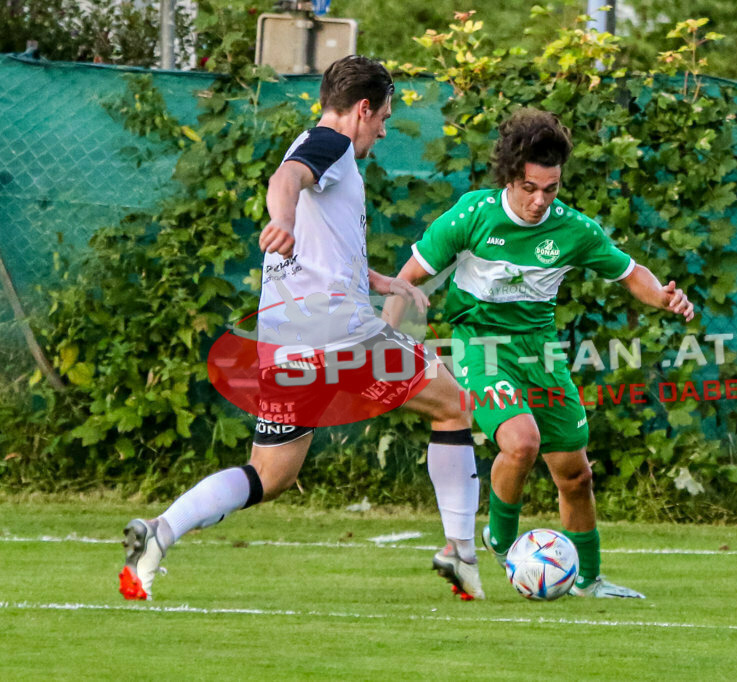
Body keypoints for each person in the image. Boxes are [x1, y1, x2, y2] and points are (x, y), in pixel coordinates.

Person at [119, 55, 485, 602]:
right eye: (383, 117)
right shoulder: (331, 143)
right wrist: (282, 220)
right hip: (338, 334)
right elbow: (285, 180)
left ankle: (159, 533)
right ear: (363, 109)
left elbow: (323, 240)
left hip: (284, 340)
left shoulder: (314, 146)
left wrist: (377, 280)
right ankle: (461, 552)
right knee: (455, 404)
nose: (383, 130)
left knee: (270, 474)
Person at [382, 108, 695, 598]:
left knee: (575, 475)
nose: (539, 200)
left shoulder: (574, 230)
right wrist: (385, 339)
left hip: (540, 353)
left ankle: (590, 581)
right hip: (479, 344)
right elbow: (408, 278)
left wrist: (664, 296)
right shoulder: (472, 215)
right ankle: (501, 540)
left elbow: (631, 272)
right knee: (521, 442)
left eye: (550, 189)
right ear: (510, 176)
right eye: (530, 187)